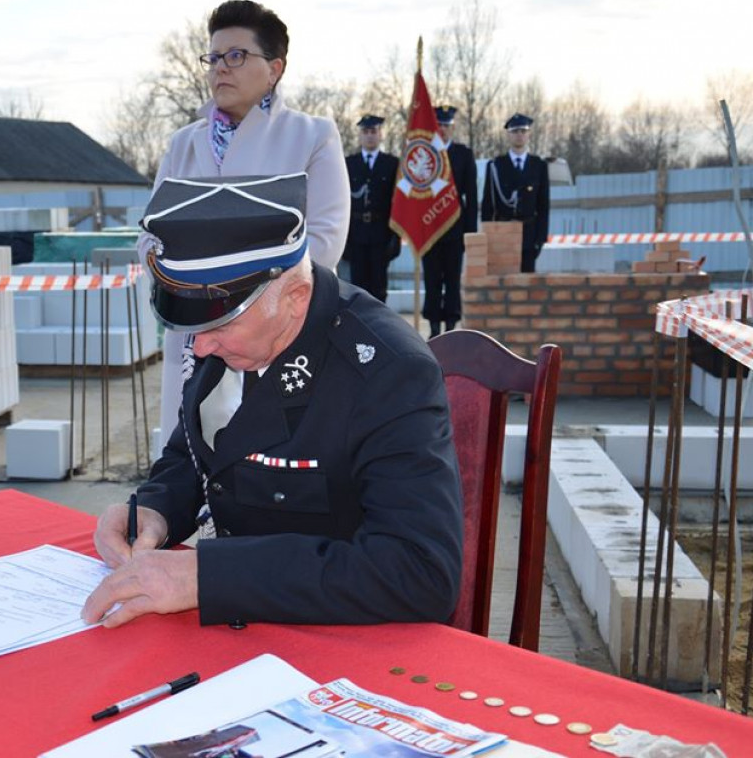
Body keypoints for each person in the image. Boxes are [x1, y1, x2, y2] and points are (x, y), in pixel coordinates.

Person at [83, 173, 463, 628]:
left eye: (217, 326)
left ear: (295, 297)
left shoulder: (389, 372)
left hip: (338, 641)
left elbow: (421, 573)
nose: (199, 348)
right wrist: (154, 509)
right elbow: (199, 453)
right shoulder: (233, 334)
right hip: (239, 636)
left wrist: (209, 576)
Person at [143, 0, 350, 451]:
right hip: (193, 330)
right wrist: (186, 290)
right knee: (190, 454)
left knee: (267, 462)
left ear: (274, 68)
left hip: (276, 332)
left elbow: (325, 240)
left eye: (236, 55)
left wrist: (248, 301)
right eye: (214, 57)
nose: (221, 68)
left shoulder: (311, 136)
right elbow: (151, 236)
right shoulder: (184, 145)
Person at [423, 105, 477, 338]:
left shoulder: (463, 154)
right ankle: (434, 326)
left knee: (452, 280)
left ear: (453, 127)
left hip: (455, 228)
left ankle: (451, 326)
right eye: (439, 125)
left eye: (446, 125)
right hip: (430, 228)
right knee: (432, 279)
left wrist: (470, 233)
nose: (443, 130)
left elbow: (472, 196)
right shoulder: (424, 154)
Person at [481, 112, 550, 273]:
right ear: (508, 135)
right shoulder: (496, 165)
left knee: (525, 288)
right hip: (502, 233)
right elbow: (488, 205)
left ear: (528, 135)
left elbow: (543, 205)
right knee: (502, 285)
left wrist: (540, 239)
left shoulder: (538, 165)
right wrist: (488, 236)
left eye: (523, 131)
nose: (519, 135)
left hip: (528, 234)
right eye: (515, 131)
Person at [343, 114, 400, 303]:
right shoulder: (348, 164)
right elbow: (341, 202)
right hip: (356, 234)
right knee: (357, 288)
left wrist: (395, 237)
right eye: (365, 132)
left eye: (373, 131)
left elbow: (398, 202)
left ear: (381, 134)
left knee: (379, 287)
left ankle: (379, 330)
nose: (369, 136)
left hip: (381, 234)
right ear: (359, 136)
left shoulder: (392, 164)